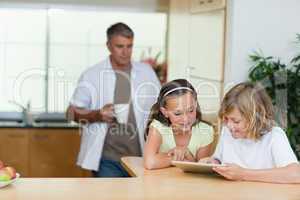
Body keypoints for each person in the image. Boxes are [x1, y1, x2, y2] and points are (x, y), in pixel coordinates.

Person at [66, 22, 161, 177]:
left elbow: (159, 105)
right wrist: (97, 115)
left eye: (129, 46)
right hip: (107, 160)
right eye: (119, 46)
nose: (125, 52)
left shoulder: (146, 72)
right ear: (108, 45)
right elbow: (70, 113)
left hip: (141, 158)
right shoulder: (92, 75)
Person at [200, 82, 300, 184]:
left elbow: (296, 174)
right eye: (226, 119)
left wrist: (243, 174)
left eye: (236, 121)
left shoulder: (274, 136)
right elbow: (218, 160)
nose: (229, 125)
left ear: (255, 119)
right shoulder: (227, 131)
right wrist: (212, 162)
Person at [144, 79, 215, 170]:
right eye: (178, 113)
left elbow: (202, 170)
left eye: (191, 110)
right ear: (165, 112)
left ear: (196, 104)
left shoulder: (206, 131)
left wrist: (187, 154)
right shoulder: (158, 127)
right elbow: (150, 163)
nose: (186, 119)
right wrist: (178, 157)